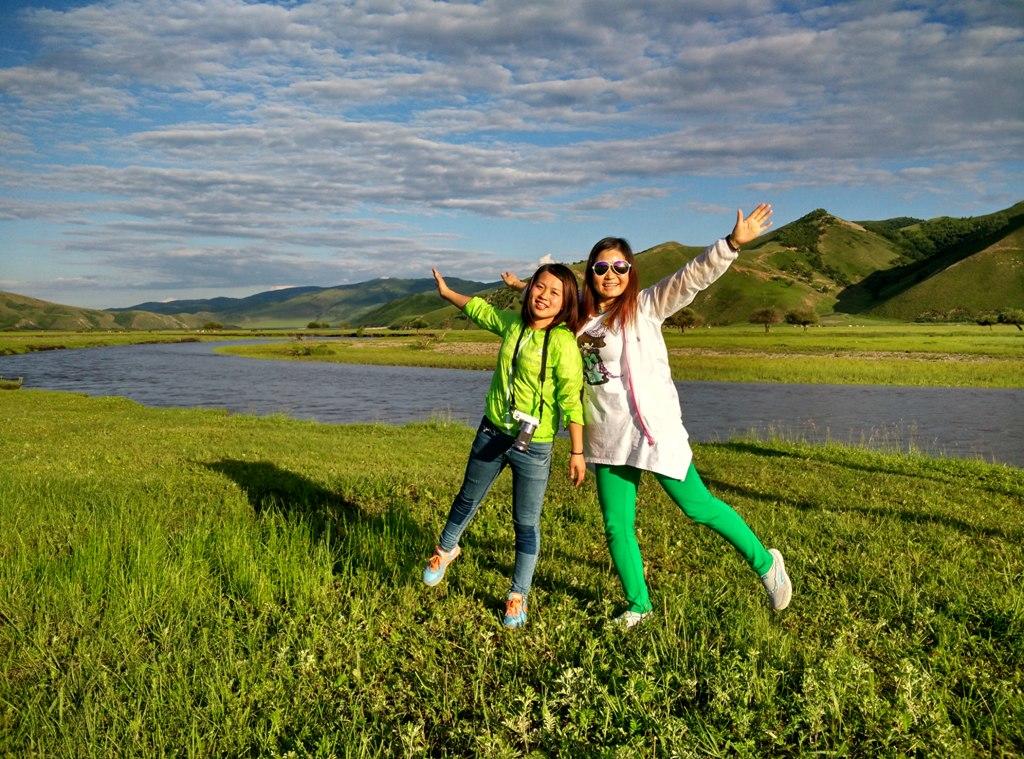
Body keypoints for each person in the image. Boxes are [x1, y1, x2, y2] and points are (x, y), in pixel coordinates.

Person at [503, 204, 791, 627]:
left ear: (630, 271)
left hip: (653, 431)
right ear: (591, 272)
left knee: (698, 507)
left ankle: (767, 564)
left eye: (620, 266)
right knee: (617, 525)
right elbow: (553, 298)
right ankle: (638, 604)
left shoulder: (646, 306)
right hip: (607, 434)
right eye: (602, 267)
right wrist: (521, 286)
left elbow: (690, 278)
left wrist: (730, 245)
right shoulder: (579, 318)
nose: (611, 274)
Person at [423, 263, 586, 628]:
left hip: (535, 445)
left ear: (565, 303)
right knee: (467, 497)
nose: (544, 296)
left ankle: (518, 595)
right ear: (530, 289)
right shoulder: (513, 324)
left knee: (525, 522)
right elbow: (480, 310)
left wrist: (577, 452)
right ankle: (445, 550)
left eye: (555, 293)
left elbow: (571, 400)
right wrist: (447, 294)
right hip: (493, 431)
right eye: (540, 287)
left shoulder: (563, 343)